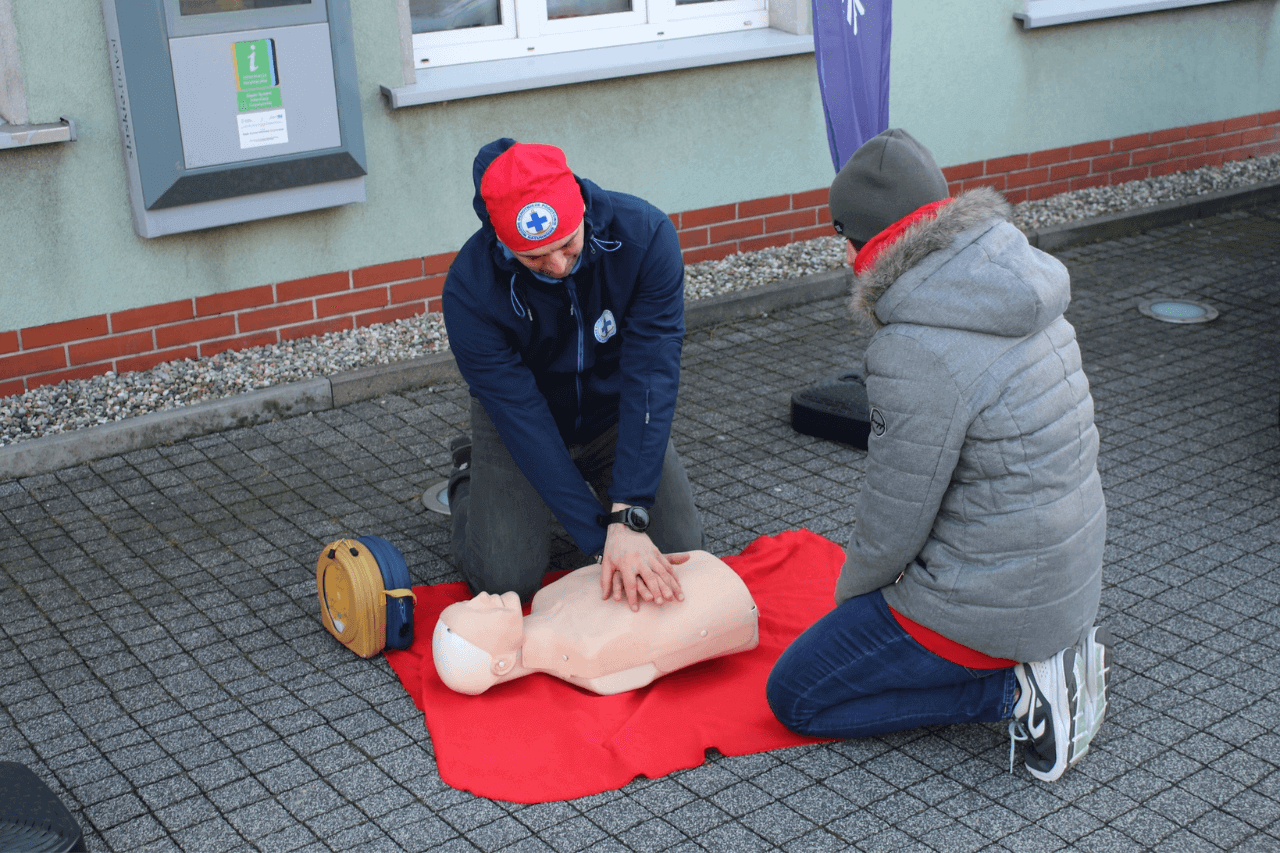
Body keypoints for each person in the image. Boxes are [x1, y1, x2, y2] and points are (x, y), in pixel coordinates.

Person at [765, 129, 1114, 782]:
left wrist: (854, 599)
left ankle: (1018, 695)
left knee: (798, 693)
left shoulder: (914, 345)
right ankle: (1053, 662)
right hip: (1066, 580)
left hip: (997, 603)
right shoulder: (1019, 284)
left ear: (859, 242)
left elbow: (894, 517)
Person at [441, 139, 704, 611]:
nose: (558, 265)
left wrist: (630, 516)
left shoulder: (645, 236)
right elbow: (521, 416)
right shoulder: (469, 289)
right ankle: (468, 478)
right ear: (501, 243)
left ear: (581, 207)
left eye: (567, 244)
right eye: (535, 257)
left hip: (614, 413)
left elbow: (651, 377)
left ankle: (605, 490)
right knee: (506, 580)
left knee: (682, 550)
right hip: (523, 426)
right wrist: (605, 539)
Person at [432, 550, 759, 695]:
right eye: (476, 612)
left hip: (700, 577)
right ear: (501, 665)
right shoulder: (590, 659)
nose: (481, 598)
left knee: (678, 532)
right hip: (730, 603)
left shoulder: (549, 596)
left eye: (468, 602)